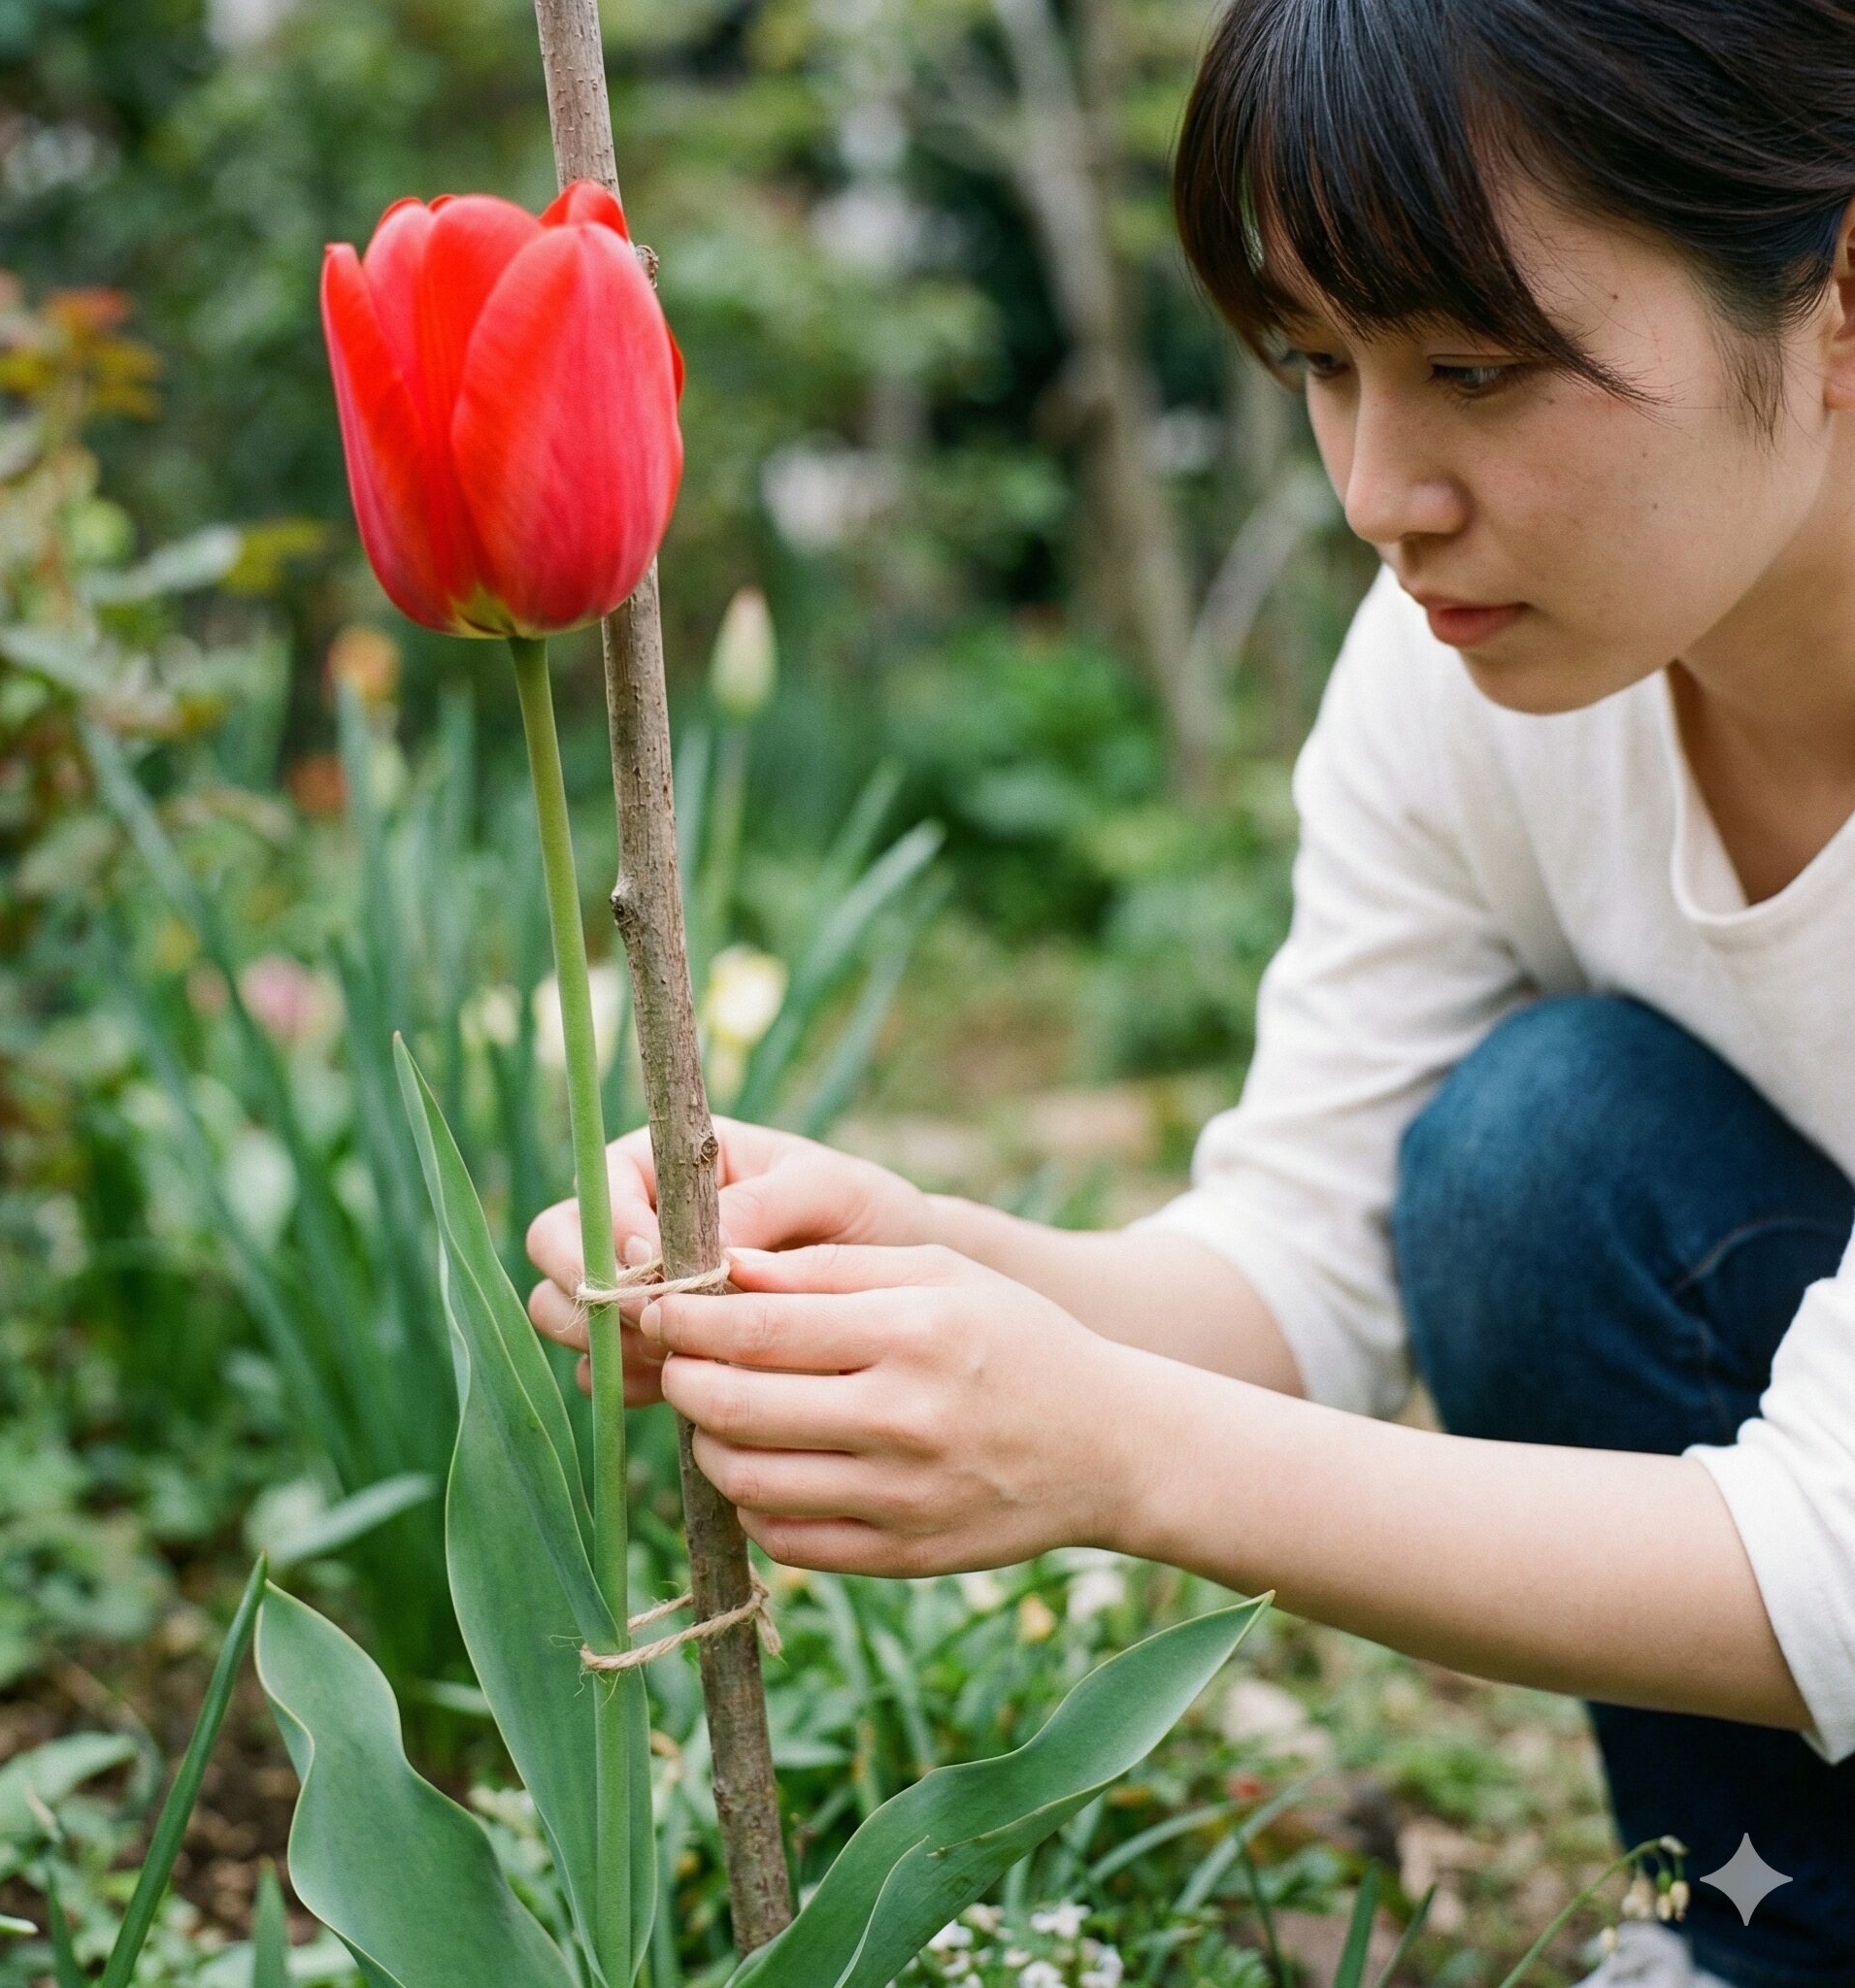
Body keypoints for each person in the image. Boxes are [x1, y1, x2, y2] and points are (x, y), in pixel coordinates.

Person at [524, 3, 1855, 1982]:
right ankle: (1775, 1939)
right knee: (1531, 1154)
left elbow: (1833, 1569)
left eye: (1473, 368)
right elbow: (1299, 1277)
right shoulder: (1466, 679)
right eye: (1322, 364)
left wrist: (1111, 1454)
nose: (1379, 488)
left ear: (1835, 298)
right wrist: (921, 1267)